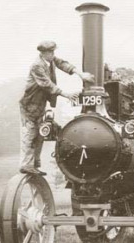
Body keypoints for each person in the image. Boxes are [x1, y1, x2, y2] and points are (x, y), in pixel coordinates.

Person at [19, 40, 94, 175]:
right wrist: (67, 94)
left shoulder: (50, 60)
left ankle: (35, 164)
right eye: (51, 52)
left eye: (53, 52)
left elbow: (64, 64)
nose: (53, 54)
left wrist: (80, 74)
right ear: (43, 53)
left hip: (40, 103)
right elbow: (47, 84)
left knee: (40, 133)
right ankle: (25, 165)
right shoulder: (37, 66)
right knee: (30, 133)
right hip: (30, 104)